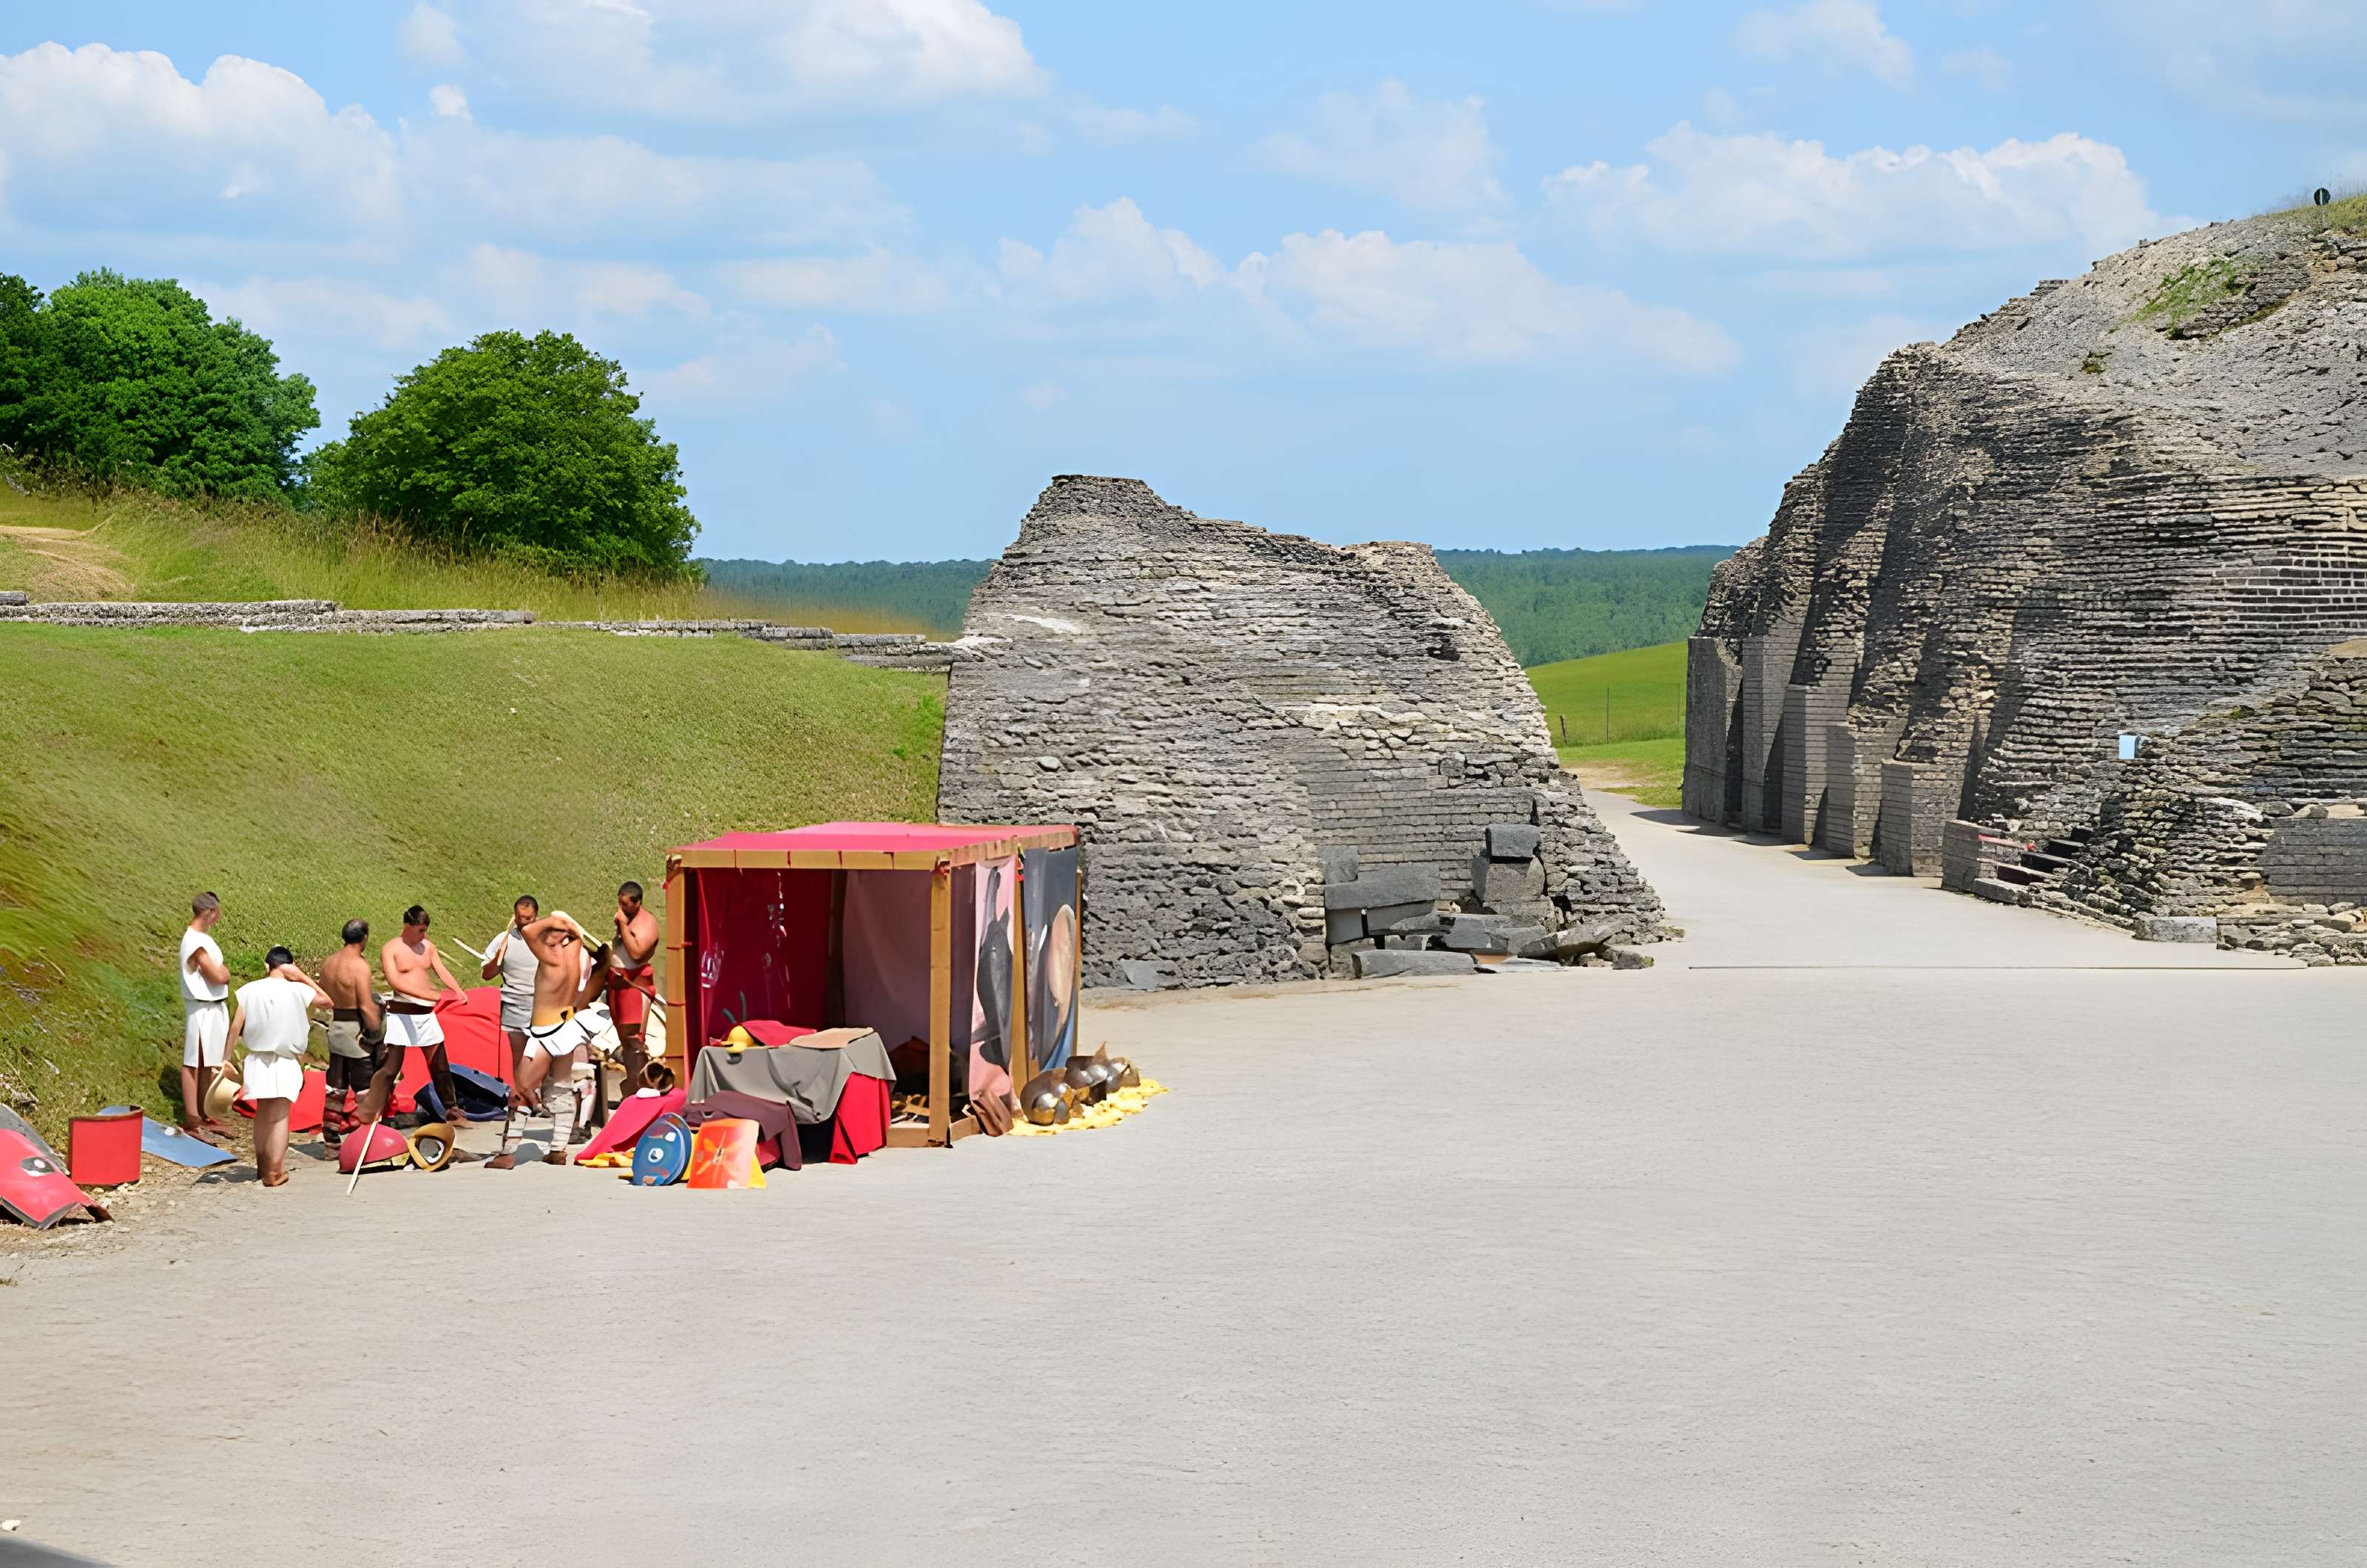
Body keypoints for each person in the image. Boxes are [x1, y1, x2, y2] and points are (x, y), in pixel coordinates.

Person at [487, 910, 610, 1169]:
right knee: (561, 1085)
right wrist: (573, 930)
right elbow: (595, 983)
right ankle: (558, 1150)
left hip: (547, 1031)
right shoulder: (581, 955)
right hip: (568, 1025)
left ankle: (508, 1153)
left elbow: (528, 931)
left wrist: (556, 920)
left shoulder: (552, 956)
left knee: (522, 1088)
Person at [227, 947, 331, 1186]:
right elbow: (327, 1001)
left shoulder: (249, 990)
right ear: (289, 966)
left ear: (267, 966)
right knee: (281, 1114)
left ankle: (262, 1167)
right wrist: (301, 975)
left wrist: (224, 1058)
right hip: (286, 1059)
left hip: (257, 1059)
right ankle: (274, 1172)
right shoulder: (297, 988)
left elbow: (235, 1028)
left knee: (262, 1113)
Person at [359, 905, 463, 1126]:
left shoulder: (428, 947)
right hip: (401, 1013)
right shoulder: (391, 948)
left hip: (426, 1014)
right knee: (390, 1068)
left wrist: (458, 991)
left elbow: (441, 970)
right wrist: (431, 994)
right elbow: (395, 982)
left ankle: (451, 1108)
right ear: (407, 926)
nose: (423, 935)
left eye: (425, 931)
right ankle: (373, 1112)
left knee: (439, 1064)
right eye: (420, 931)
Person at [319, 919, 383, 1135]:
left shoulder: (329, 963)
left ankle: (330, 1144)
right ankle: (369, 1142)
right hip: (356, 1032)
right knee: (366, 1089)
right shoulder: (359, 965)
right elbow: (366, 1005)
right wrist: (377, 1034)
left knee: (336, 1088)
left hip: (336, 1027)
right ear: (364, 937)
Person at [179, 892, 234, 1137]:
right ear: (210, 912)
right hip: (201, 1007)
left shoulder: (202, 939)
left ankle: (203, 1112)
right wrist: (223, 972)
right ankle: (192, 1118)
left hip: (214, 1006)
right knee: (193, 1062)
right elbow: (219, 975)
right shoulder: (194, 942)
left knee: (206, 1063)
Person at [480, 895, 541, 1078]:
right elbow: (486, 975)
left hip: (541, 1011)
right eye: (520, 919)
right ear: (515, 916)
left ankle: (530, 1100)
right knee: (512, 1063)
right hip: (512, 1010)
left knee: (536, 1063)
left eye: (529, 920)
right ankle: (512, 1101)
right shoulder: (503, 939)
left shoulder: (547, 940)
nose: (524, 925)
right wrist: (499, 955)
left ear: (536, 916)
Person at [607, 881, 660, 1092]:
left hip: (634, 988)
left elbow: (637, 953)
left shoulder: (646, 923)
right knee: (626, 1044)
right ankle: (633, 1087)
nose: (621, 909)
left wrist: (622, 925)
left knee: (635, 1043)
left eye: (626, 905)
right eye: (620, 903)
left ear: (638, 903)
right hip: (618, 985)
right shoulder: (626, 918)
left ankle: (642, 1088)